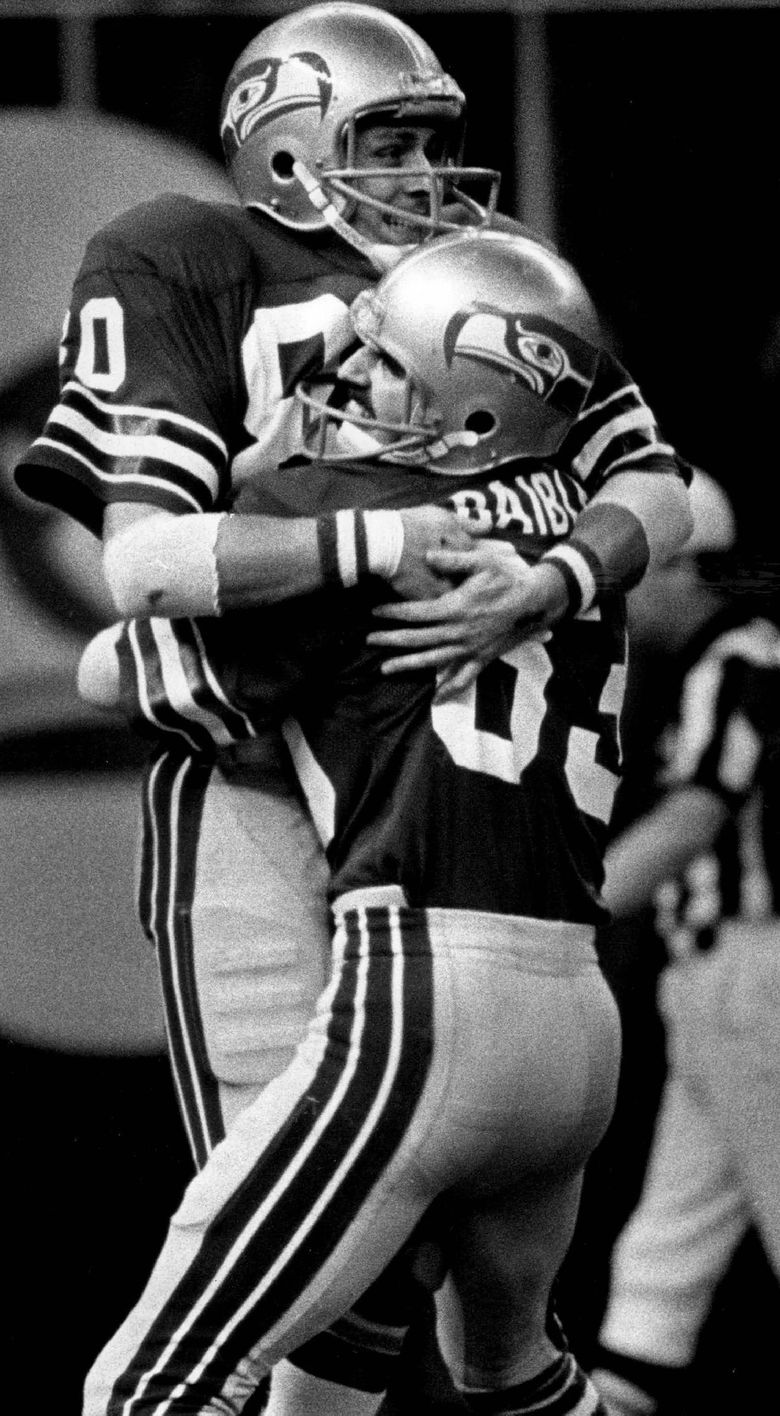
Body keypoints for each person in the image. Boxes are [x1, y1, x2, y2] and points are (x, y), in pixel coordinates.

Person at [64, 227, 695, 1416]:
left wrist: (292, 517)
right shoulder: (579, 526)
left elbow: (122, 656)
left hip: (424, 1002)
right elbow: (660, 496)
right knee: (517, 1376)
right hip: (577, 1017)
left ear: (471, 415)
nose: (348, 378)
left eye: (386, 368)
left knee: (151, 1383)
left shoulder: (358, 517)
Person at [588, 471, 780, 1416]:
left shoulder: (742, 658)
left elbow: (694, 817)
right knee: (660, 1265)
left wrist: (564, 915)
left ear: (678, 568)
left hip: (756, 970)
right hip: (720, 980)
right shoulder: (730, 660)